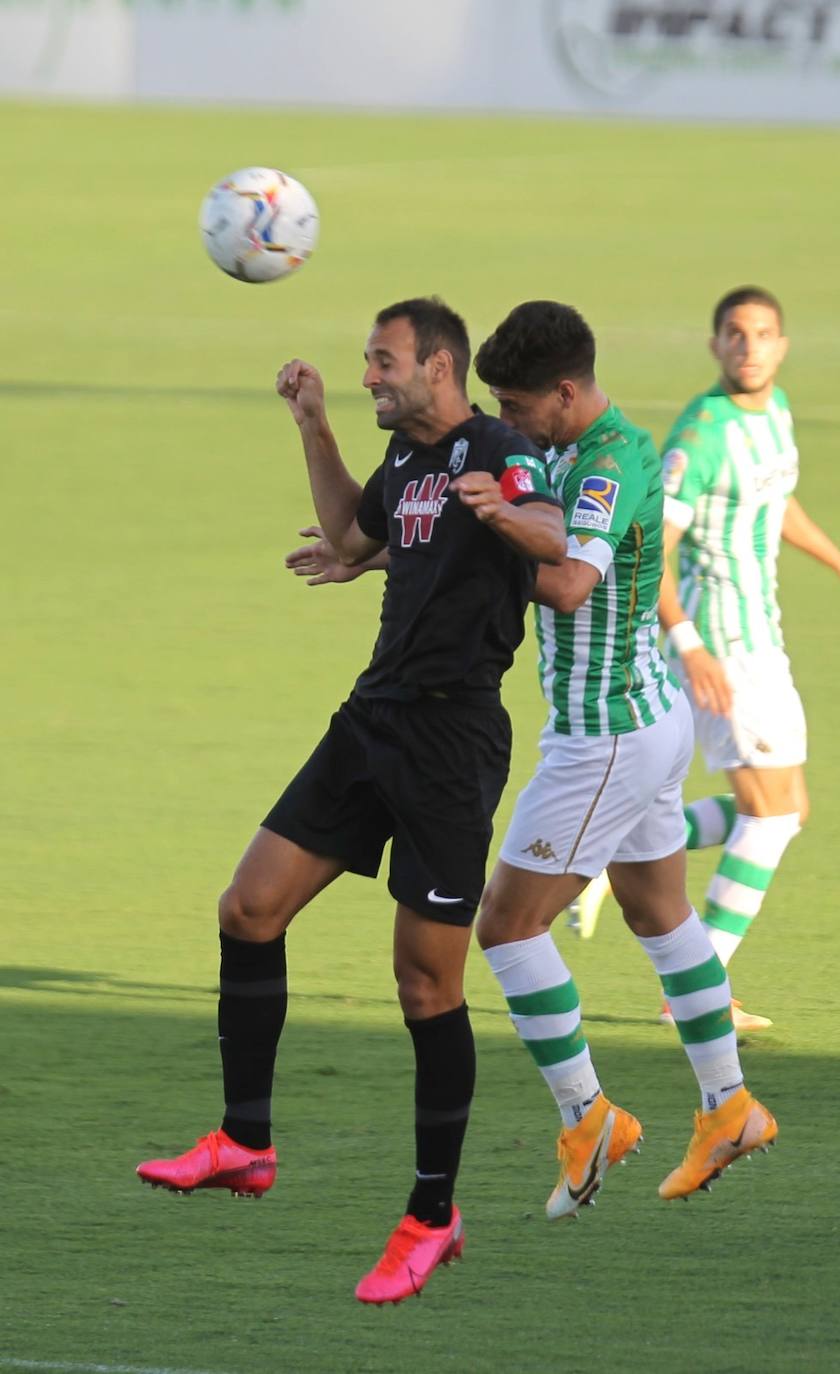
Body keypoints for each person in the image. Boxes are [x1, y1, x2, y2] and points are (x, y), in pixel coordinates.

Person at [294, 301, 780, 1208]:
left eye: (516, 406)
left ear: (564, 392)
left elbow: (567, 584)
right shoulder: (559, 449)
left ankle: (588, 1119)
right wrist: (383, 555)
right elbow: (489, 543)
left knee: (506, 928)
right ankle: (728, 1106)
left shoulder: (608, 462)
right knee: (659, 913)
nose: (504, 420)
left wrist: (491, 519)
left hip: (604, 733)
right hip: (648, 712)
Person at [136, 297, 566, 1306]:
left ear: (438, 366)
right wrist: (313, 422)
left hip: (451, 743)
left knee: (424, 986)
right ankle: (245, 1142)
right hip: (372, 720)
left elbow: (550, 534)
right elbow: (346, 530)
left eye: (382, 362)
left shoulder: (497, 448)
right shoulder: (408, 461)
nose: (370, 375)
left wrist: (500, 513)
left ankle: (431, 1215)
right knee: (248, 908)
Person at [569, 286, 840, 1033]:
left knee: (787, 811)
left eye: (761, 334)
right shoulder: (702, 435)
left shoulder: (774, 411)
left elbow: (775, 501)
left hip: (760, 640)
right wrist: (691, 646)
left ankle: (612, 859)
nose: (749, 346)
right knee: (770, 814)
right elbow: (649, 548)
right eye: (734, 333)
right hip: (723, 646)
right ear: (714, 345)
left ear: (781, 346)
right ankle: (695, 988)